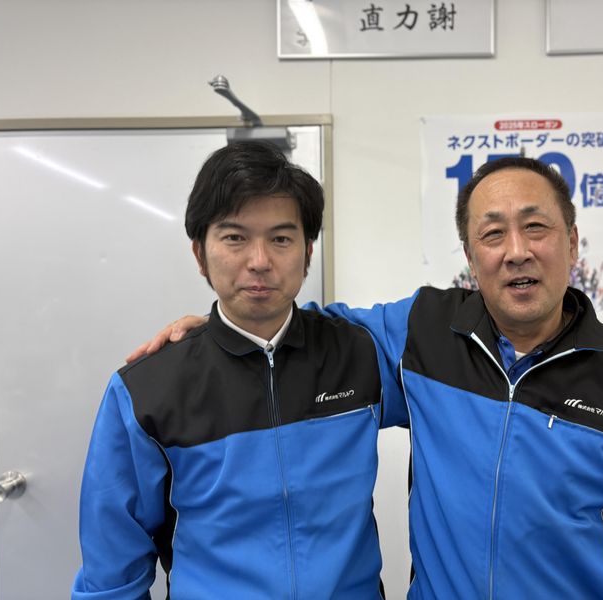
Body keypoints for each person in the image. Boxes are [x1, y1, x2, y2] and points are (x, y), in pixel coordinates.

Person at [133, 156, 603, 598]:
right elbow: (311, 335)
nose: (517, 251)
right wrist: (220, 330)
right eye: (493, 234)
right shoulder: (423, 333)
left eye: (536, 228)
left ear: (572, 242)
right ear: (470, 256)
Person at [73, 142, 400, 599]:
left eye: (281, 239)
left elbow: (468, 322)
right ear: (199, 253)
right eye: (234, 237)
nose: (259, 261)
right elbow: (112, 570)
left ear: (308, 252)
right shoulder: (147, 390)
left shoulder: (363, 352)